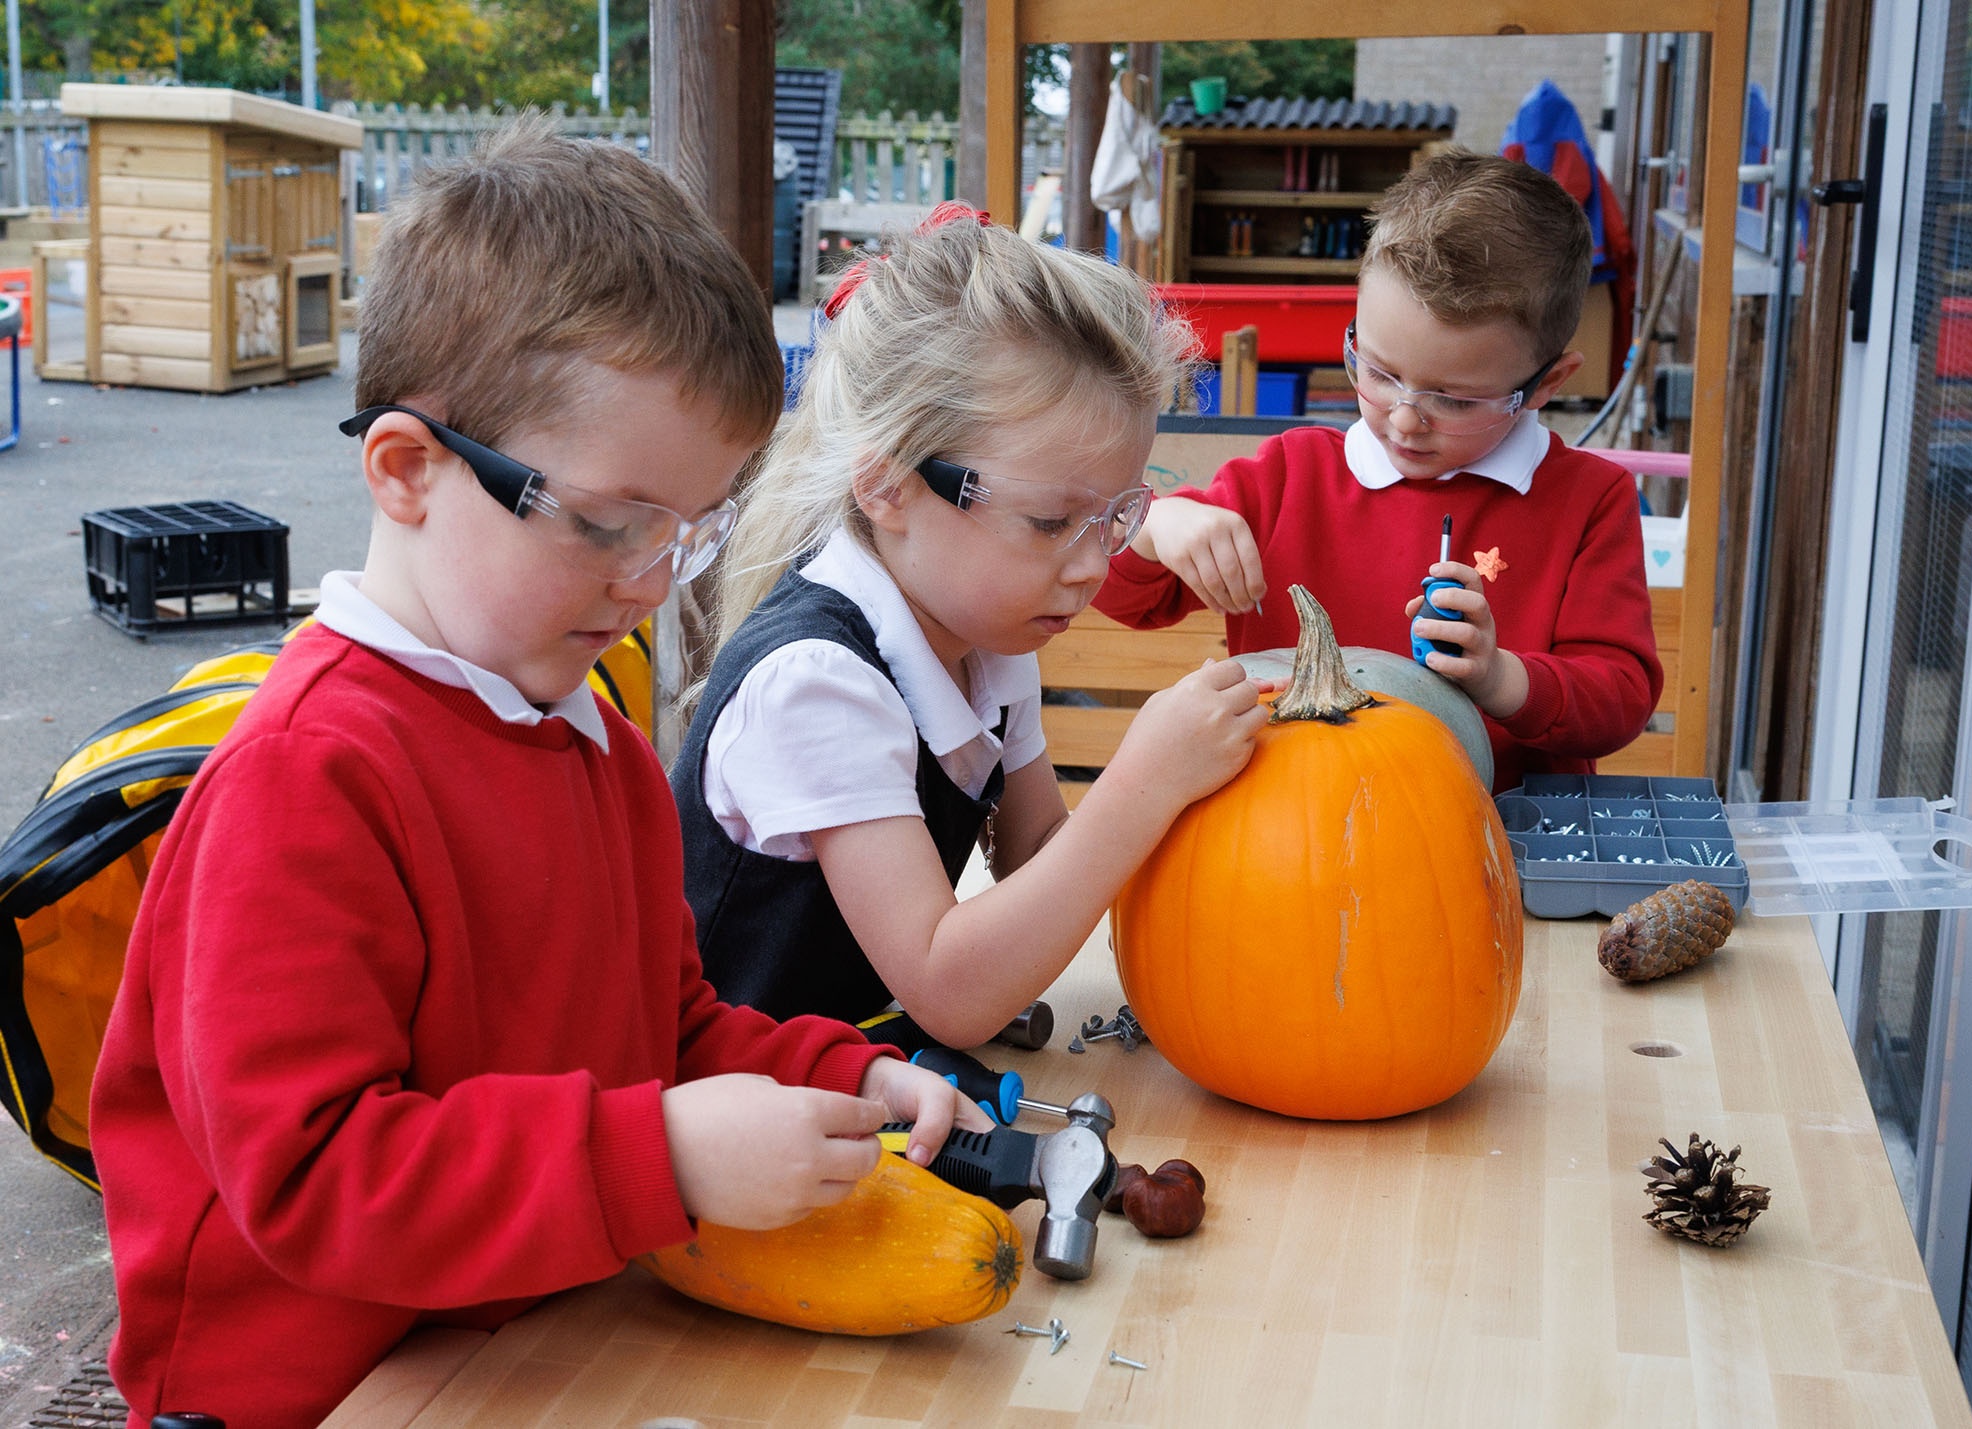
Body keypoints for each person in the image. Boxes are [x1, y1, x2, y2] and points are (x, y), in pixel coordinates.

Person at [89, 121, 975, 1429]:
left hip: (543, 1332)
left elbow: (661, 1029)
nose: (652, 581)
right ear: (407, 469)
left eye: (692, 529)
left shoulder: (590, 737)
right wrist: (659, 1156)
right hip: (308, 1395)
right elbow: (314, 1180)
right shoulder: (305, 780)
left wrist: (832, 1072)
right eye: (610, 524)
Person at [669, 204, 1273, 1050]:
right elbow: (951, 987)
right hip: (738, 1101)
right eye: (1050, 520)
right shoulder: (817, 681)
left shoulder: (987, 637)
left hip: (860, 1070)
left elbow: (1037, 854)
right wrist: (1143, 782)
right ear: (889, 487)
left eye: (1115, 516)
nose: (1091, 566)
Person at [1091, 147, 1664, 795]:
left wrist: (1501, 678)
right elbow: (1120, 594)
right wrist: (1160, 525)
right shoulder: (1287, 478)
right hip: (1290, 816)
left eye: (1453, 399)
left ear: (1546, 384)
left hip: (1501, 829)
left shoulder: (1589, 500)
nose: (1405, 418)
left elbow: (1621, 697)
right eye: (1379, 372)